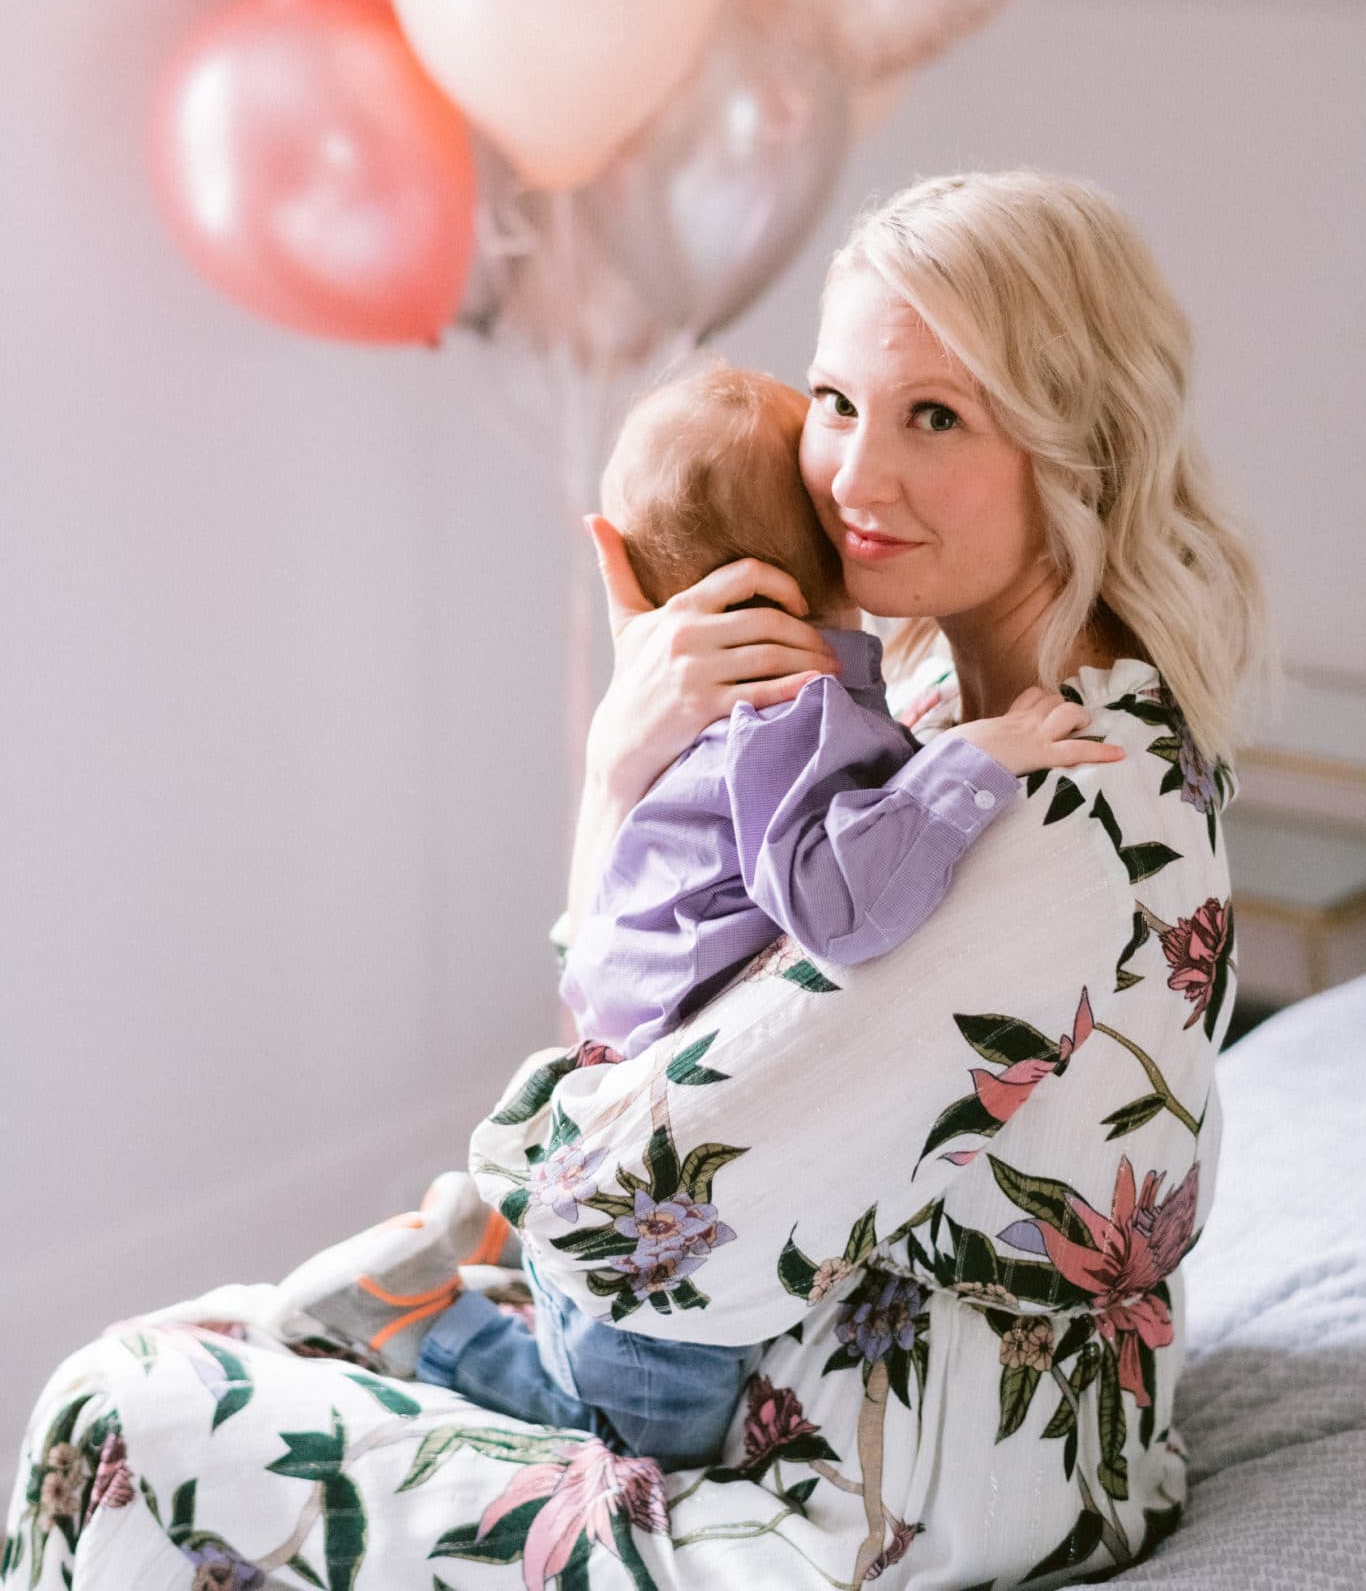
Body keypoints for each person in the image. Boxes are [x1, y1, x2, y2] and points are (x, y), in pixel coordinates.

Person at [6, 171, 1270, 1591]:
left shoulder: (1041, 811)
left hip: (860, 1502)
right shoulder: (987, 716)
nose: (852, 477)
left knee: (113, 1407)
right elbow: (669, 1061)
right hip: (868, 1418)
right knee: (259, 1336)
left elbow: (635, 1223)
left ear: (1077, 440)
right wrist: (634, 765)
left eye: (936, 414)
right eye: (837, 400)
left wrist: (549, 1124)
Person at [410, 362, 1124, 1470]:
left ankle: (482, 1274)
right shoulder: (804, 715)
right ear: (839, 539)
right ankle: (436, 1333)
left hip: (606, 1093)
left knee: (592, 1342)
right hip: (637, 1214)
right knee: (646, 1427)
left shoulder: (752, 710)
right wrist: (967, 762)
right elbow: (836, 908)